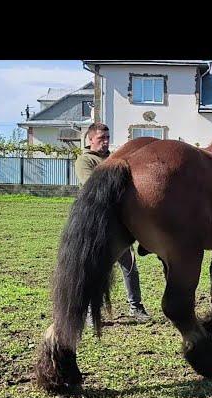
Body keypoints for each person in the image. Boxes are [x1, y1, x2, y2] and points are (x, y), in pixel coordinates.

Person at [75, 122, 150, 321]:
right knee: (97, 269)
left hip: (118, 223)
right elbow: (94, 187)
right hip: (97, 222)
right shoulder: (85, 161)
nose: (106, 142)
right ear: (90, 140)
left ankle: (136, 307)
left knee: (130, 266)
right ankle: (92, 312)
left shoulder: (114, 159)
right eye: (101, 139)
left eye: (107, 138)